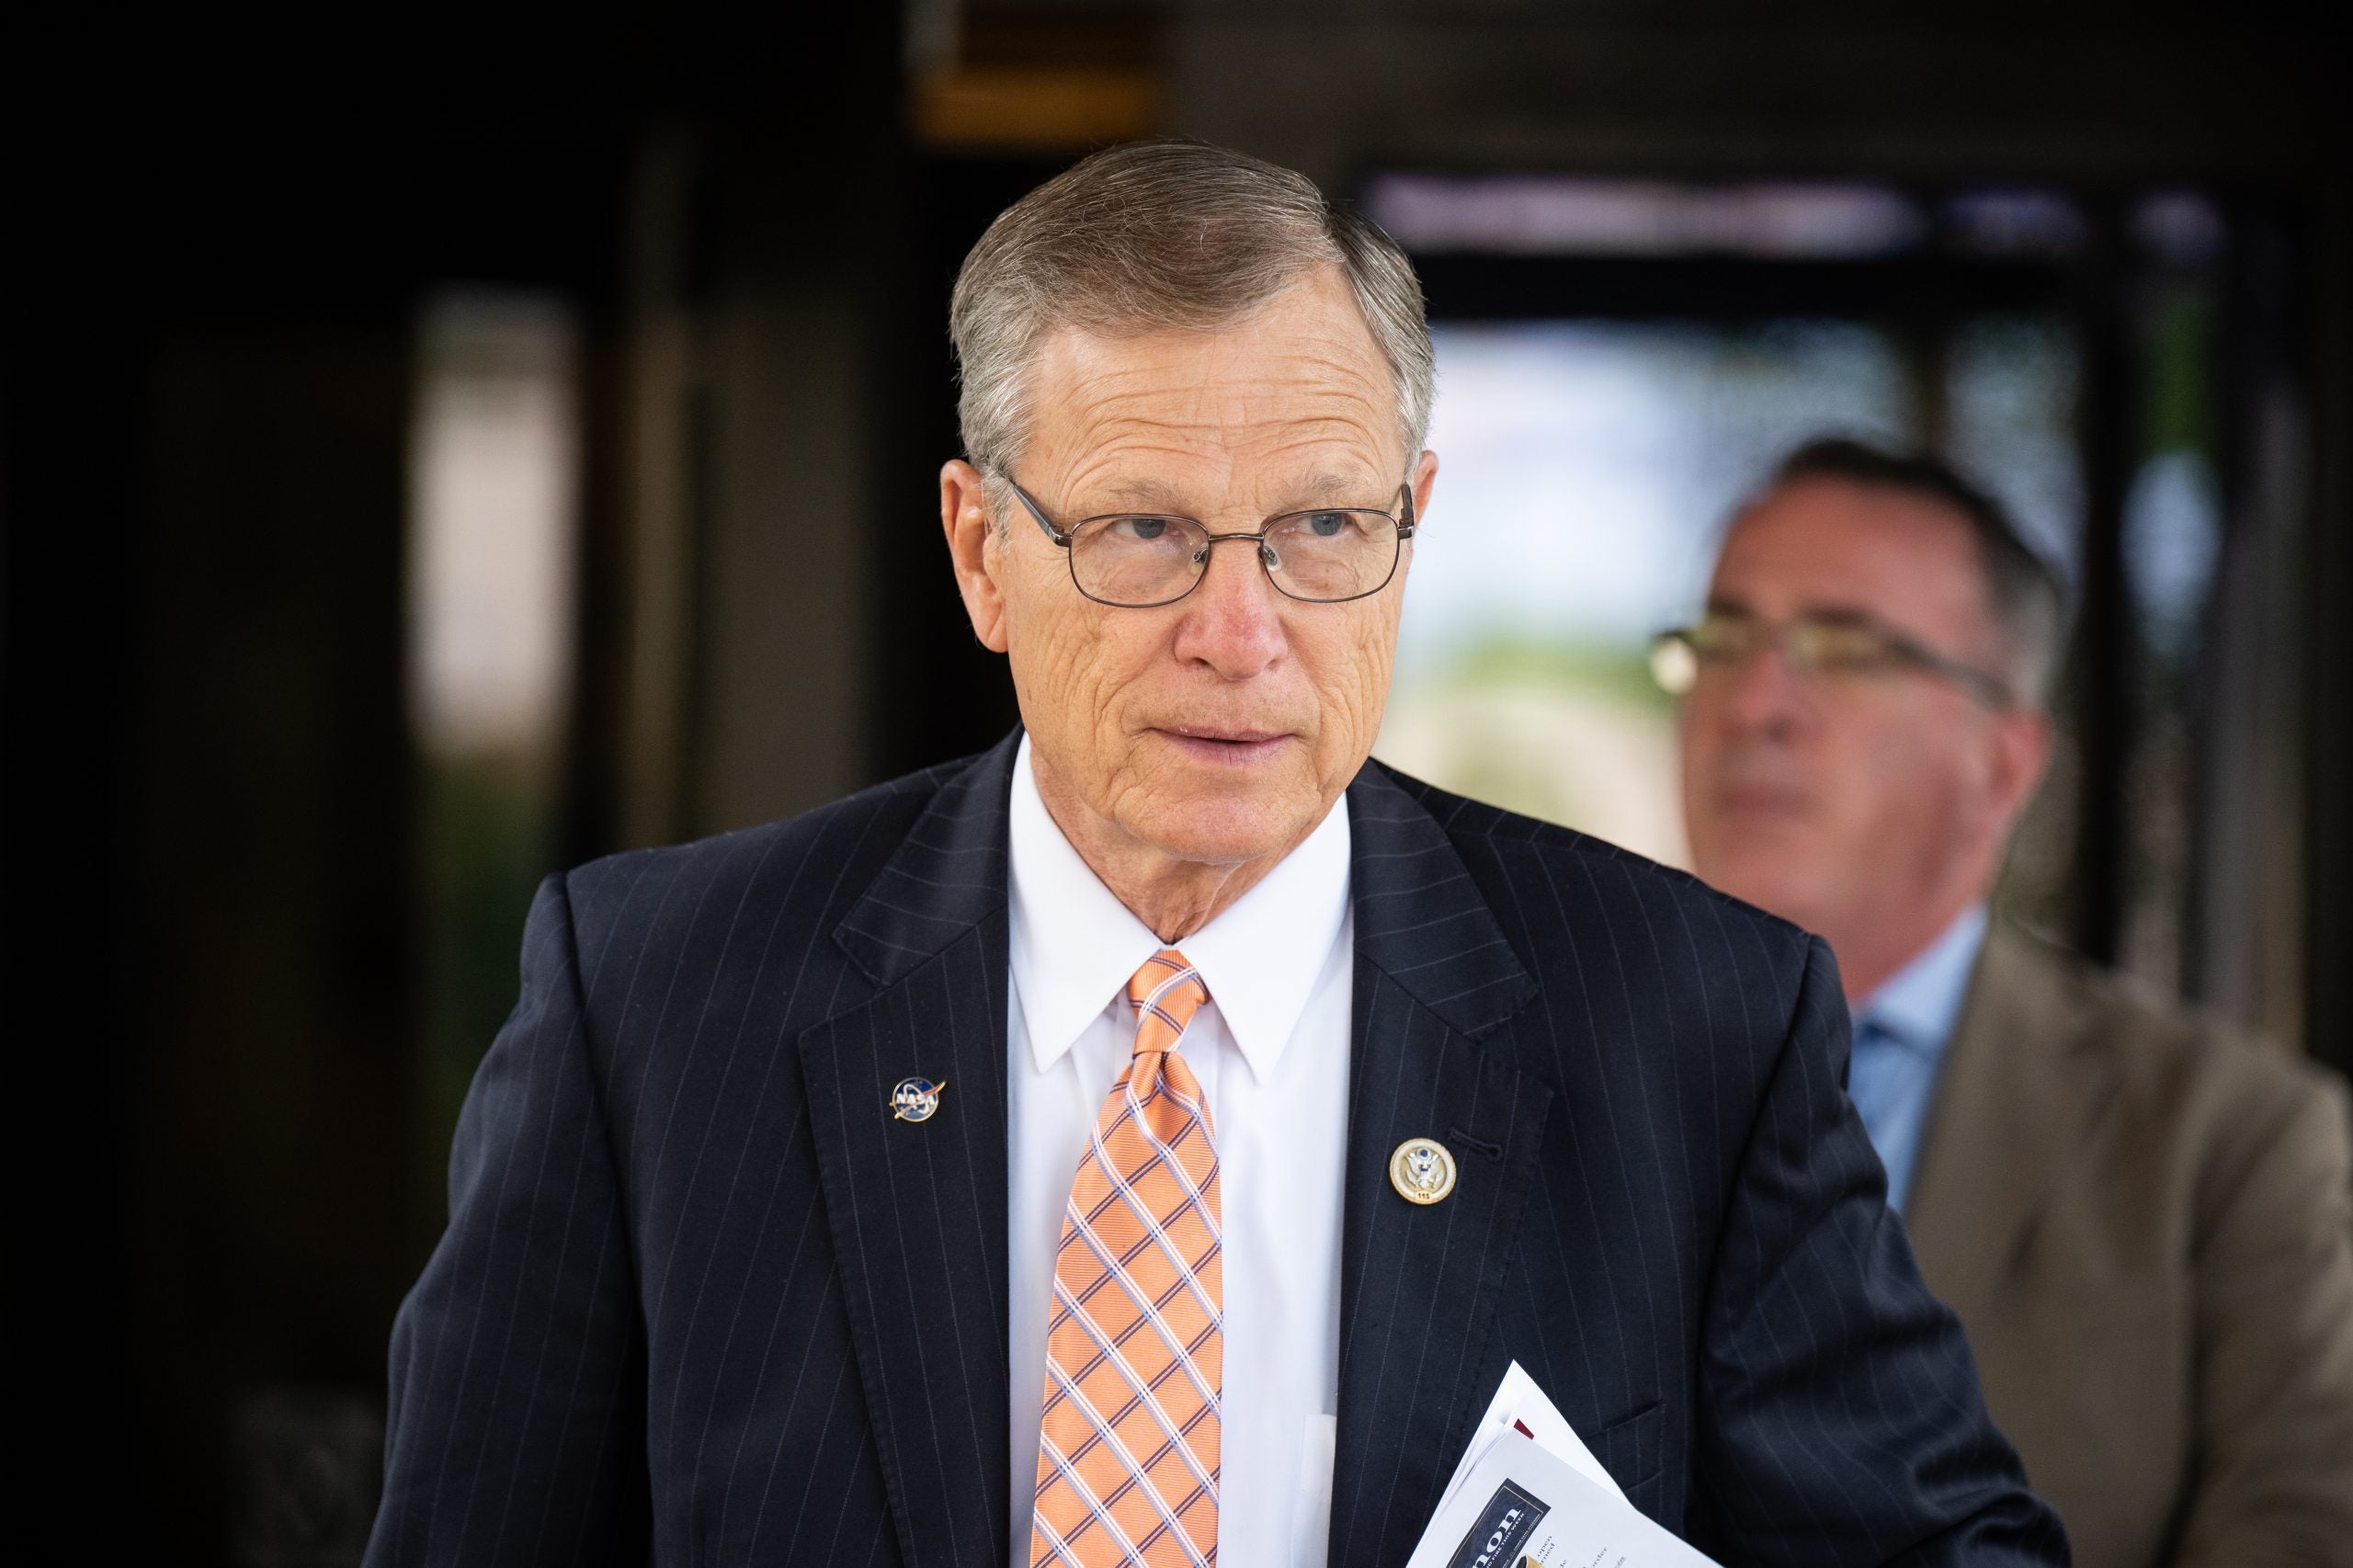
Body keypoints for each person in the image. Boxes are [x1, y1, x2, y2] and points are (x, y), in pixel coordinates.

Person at [365, 144, 2065, 1568]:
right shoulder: (658, 1002)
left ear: (1411, 523)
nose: (1240, 633)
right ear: (981, 551)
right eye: (1143, 531)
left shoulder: (1691, 1023)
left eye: (1322, 527)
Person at [1667, 437, 2353, 1568]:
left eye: (1843, 647)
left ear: (2002, 763)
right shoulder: (1544, 1058)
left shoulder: (2228, 1144)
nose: (1753, 703)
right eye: (1723, 638)